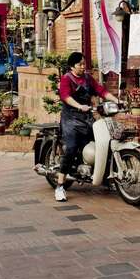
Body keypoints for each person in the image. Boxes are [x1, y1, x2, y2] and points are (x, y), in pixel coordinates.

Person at [54, 51, 120, 202]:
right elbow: (65, 96)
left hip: (87, 118)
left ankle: (104, 176)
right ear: (72, 66)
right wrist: (79, 106)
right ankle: (60, 186)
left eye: (84, 64)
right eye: (80, 64)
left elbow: (101, 91)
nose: (83, 67)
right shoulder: (66, 79)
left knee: (103, 142)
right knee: (71, 148)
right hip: (71, 119)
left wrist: (115, 100)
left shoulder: (88, 78)